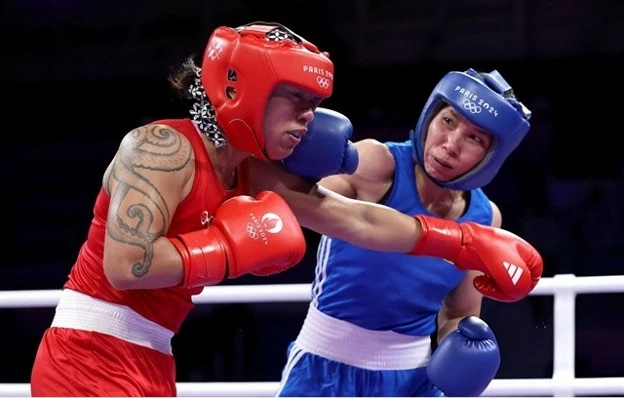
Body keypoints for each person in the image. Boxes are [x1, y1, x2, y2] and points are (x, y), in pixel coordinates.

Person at [30, 19, 541, 396]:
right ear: (243, 92)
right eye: (295, 100)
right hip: (87, 352)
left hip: (153, 356)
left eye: (313, 105)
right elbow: (126, 267)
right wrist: (230, 246)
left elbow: (355, 220)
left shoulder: (248, 171)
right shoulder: (160, 147)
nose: (308, 119)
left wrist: (464, 240)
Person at [273, 68, 539, 397]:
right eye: (449, 122)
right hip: (323, 365)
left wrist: (462, 346)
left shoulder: (484, 218)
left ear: (491, 156)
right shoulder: (375, 164)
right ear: (430, 116)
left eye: (475, 138)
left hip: (413, 379)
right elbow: (293, 201)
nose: (451, 145)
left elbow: (460, 310)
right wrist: (295, 158)